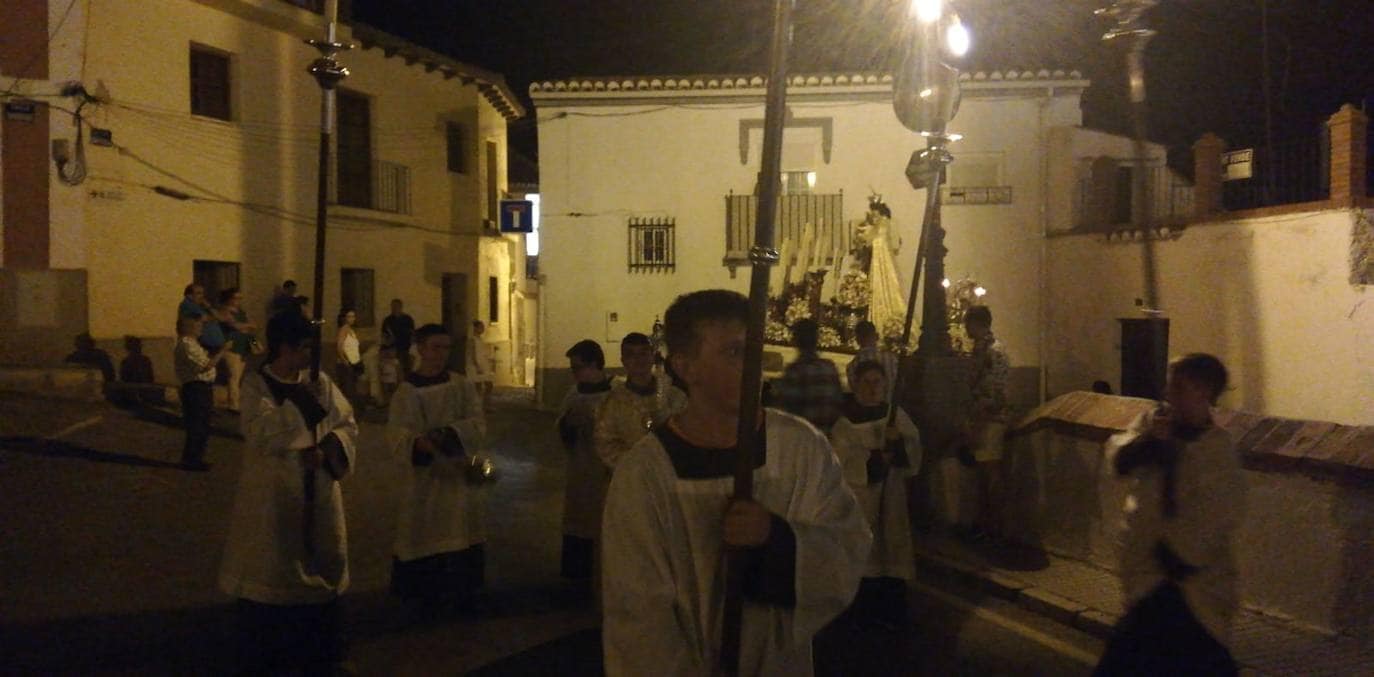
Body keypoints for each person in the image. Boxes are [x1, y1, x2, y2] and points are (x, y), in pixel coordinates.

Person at [601, 289, 870, 675]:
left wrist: (776, 540)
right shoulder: (644, 475)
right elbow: (638, 616)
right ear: (685, 366)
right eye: (733, 353)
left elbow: (847, 545)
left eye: (754, 351)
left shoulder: (801, 448)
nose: (753, 366)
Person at [219, 310, 358, 675]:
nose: (310, 356)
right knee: (276, 564)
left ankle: (322, 651)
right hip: (274, 496)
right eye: (304, 348)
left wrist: (328, 447)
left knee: (321, 561)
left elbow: (346, 423)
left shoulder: (320, 381)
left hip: (319, 491)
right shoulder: (256, 385)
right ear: (284, 348)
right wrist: (301, 412)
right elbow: (260, 432)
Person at [1094, 354, 1246, 676]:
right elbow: (1119, 461)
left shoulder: (1217, 448)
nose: (1168, 395)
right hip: (1149, 570)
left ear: (1203, 393)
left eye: (1178, 387)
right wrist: (1151, 443)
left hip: (1189, 582)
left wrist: (1180, 553)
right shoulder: (1154, 424)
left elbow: (1220, 511)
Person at [386, 323, 489, 616]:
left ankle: (461, 594)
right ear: (420, 348)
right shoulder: (407, 392)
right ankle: (424, 597)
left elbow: (478, 422)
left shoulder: (461, 384)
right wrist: (417, 443)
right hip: (425, 479)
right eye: (436, 347)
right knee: (424, 528)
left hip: (457, 475)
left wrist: (449, 434)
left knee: (459, 528)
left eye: (446, 348)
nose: (442, 354)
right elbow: (397, 433)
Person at [830, 360, 922, 629]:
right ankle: (859, 609)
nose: (872, 389)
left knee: (892, 545)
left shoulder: (895, 414)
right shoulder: (844, 420)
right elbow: (839, 457)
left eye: (877, 382)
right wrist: (872, 460)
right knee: (863, 549)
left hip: (891, 493)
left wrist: (898, 443)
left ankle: (892, 608)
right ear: (856, 384)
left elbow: (913, 448)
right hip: (861, 496)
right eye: (866, 382)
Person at [556, 338, 613, 582]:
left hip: (608, 472)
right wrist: (568, 425)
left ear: (594, 364)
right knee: (578, 522)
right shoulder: (574, 393)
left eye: (577, 368)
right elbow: (560, 426)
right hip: (580, 469)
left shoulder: (617, 393)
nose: (574, 374)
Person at [593, 332, 687, 470]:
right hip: (632, 477)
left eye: (643, 353)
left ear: (653, 357)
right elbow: (606, 445)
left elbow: (690, 434)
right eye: (631, 354)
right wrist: (639, 465)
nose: (638, 360)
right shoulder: (612, 403)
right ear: (623, 360)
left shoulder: (675, 397)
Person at [960, 305, 1010, 541]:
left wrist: (979, 416)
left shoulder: (993, 351)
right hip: (981, 416)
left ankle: (994, 526)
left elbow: (994, 390)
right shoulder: (982, 350)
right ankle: (983, 522)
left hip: (990, 419)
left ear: (976, 324)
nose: (965, 329)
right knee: (982, 473)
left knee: (991, 472)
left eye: (967, 324)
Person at [771, 318, 844, 432]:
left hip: (802, 437)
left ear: (795, 340)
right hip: (827, 437)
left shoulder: (795, 371)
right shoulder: (830, 368)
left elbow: (785, 413)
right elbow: (839, 403)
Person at [174, 313, 226, 470]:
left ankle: (195, 458)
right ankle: (191, 460)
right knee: (197, 425)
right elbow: (206, 365)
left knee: (202, 424)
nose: (201, 328)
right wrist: (223, 351)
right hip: (195, 388)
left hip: (201, 387)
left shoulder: (193, 343)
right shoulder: (186, 344)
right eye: (198, 326)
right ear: (189, 327)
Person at [857, 197, 906, 340]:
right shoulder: (878, 227)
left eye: (876, 215)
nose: (874, 218)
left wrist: (867, 235)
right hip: (876, 263)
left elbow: (878, 239)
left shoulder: (884, 225)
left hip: (882, 263)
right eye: (873, 216)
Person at [217, 287, 258, 413]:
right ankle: (233, 404)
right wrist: (245, 326)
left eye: (240, 298)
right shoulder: (224, 311)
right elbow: (234, 325)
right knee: (233, 376)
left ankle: (235, 402)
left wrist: (246, 329)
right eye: (236, 298)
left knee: (238, 376)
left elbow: (252, 326)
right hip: (232, 347)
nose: (239, 301)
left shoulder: (241, 311)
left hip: (243, 346)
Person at [845, 320, 899, 397]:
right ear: (877, 336)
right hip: (890, 406)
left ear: (857, 340)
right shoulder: (892, 359)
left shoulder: (852, 366)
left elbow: (856, 393)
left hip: (867, 408)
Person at [381, 298, 416, 375]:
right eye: (393, 306)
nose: (394, 308)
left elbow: (413, 334)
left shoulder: (408, 319)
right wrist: (388, 341)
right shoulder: (387, 320)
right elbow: (384, 336)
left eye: (396, 306)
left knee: (407, 362)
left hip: (406, 346)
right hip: (393, 347)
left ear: (401, 307)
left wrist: (412, 344)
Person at [335, 308, 362, 406]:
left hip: (354, 363)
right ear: (344, 318)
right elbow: (339, 347)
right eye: (349, 316)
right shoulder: (343, 330)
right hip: (346, 364)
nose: (352, 319)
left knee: (352, 389)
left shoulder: (351, 330)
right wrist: (345, 361)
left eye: (353, 316)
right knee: (348, 390)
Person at [466, 320, 495, 412]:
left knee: (488, 385)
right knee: (478, 386)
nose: (483, 329)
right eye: (481, 327)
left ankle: (484, 405)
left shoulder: (480, 339)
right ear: (475, 328)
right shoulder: (472, 340)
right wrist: (476, 366)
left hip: (483, 364)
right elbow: (471, 354)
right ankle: (478, 406)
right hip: (476, 366)